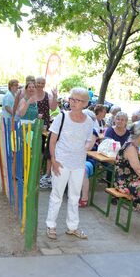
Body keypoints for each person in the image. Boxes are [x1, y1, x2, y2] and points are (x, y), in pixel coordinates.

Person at [45, 87, 95, 240]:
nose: (73, 102)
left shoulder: (88, 121)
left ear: (85, 103)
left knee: (74, 196)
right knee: (57, 195)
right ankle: (51, 225)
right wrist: (53, 160)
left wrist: (87, 147)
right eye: (71, 99)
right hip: (61, 162)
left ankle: (72, 227)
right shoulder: (62, 117)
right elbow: (52, 140)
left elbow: (88, 140)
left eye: (77, 100)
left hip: (79, 164)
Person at [35, 76, 58, 189]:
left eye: (42, 83)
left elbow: (53, 108)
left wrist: (55, 96)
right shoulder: (31, 94)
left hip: (44, 126)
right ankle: (33, 170)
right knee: (32, 148)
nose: (40, 84)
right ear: (35, 83)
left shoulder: (47, 95)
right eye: (38, 82)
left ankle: (40, 172)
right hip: (31, 125)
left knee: (41, 149)